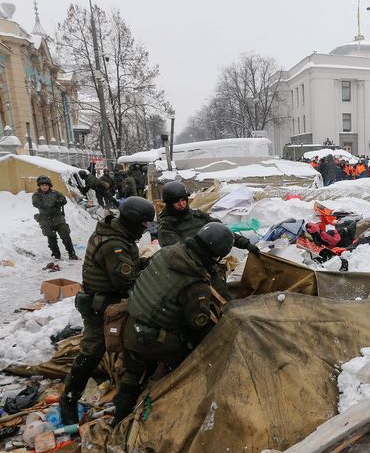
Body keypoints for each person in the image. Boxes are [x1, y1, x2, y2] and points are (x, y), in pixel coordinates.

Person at [112, 222, 235, 425]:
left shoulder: (167, 253)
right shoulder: (195, 283)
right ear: (215, 255)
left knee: (132, 373)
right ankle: (173, 410)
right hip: (153, 341)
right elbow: (198, 327)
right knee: (192, 364)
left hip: (130, 327)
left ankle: (119, 417)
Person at [60, 196, 156, 425]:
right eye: (143, 224)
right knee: (93, 351)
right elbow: (124, 281)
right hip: (101, 306)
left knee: (120, 346)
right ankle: (69, 399)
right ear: (133, 221)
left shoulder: (116, 232)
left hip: (108, 302)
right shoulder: (114, 244)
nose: (144, 229)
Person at [158, 181, 259, 298]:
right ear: (169, 204)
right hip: (190, 269)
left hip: (210, 263)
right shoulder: (167, 226)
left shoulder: (198, 216)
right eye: (176, 202)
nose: (181, 204)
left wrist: (246, 244)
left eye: (183, 200)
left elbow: (222, 233)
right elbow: (176, 252)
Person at [32, 175, 78, 260]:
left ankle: (71, 254)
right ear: (39, 186)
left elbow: (64, 199)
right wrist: (50, 206)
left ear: (49, 185)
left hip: (58, 219)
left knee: (66, 236)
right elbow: (36, 203)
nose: (44, 187)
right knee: (51, 238)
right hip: (46, 220)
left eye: (46, 185)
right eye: (42, 185)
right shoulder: (36, 195)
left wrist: (60, 201)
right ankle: (56, 255)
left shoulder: (55, 193)